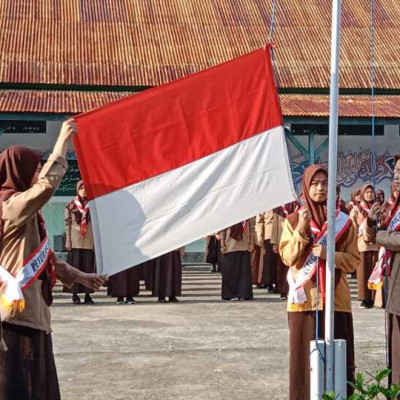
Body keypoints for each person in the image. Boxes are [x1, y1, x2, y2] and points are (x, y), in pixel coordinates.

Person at [0, 121, 107, 400]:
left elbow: (45, 257)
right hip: (15, 318)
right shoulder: (10, 207)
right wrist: (62, 142)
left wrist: (78, 276)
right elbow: (48, 186)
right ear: (19, 171)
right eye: (35, 168)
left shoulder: (26, 212)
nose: (39, 173)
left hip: (35, 314)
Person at [279, 164, 359, 400]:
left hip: (336, 301)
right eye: (314, 183)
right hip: (303, 301)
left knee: (340, 360)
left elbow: (353, 260)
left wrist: (329, 255)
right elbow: (288, 257)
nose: (320, 188)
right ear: (305, 187)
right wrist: (302, 229)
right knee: (304, 362)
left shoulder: (344, 222)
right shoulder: (293, 220)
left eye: (325, 183)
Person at [365, 158, 400, 390]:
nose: (397, 175)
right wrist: (371, 220)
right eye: (396, 170)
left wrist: (380, 236)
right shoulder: (394, 207)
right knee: (395, 346)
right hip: (393, 284)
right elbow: (371, 235)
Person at [64, 180, 96, 304]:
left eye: (85, 188)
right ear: (77, 190)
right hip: (75, 241)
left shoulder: (93, 205)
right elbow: (67, 224)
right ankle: (75, 294)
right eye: (81, 188)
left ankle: (88, 295)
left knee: (88, 268)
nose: (83, 191)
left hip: (89, 241)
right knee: (75, 268)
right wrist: (68, 240)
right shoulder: (71, 205)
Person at [271, 202, 300, 300]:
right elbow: (275, 226)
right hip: (282, 240)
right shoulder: (280, 209)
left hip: (296, 241)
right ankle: (283, 291)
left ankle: (295, 290)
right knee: (282, 268)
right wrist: (274, 242)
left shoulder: (299, 206)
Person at [219, 220, 254, 301]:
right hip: (230, 245)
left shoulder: (248, 211)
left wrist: (252, 242)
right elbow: (222, 229)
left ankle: (243, 294)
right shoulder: (228, 212)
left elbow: (252, 227)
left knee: (244, 273)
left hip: (244, 244)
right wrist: (222, 244)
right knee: (229, 272)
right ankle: (229, 294)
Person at [357, 184, 379, 309]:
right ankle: (365, 298)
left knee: (374, 272)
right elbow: (353, 225)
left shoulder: (377, 208)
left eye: (371, 192)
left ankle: (375, 297)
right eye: (367, 192)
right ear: (362, 194)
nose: (370, 194)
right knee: (363, 272)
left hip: (375, 244)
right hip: (362, 245)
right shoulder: (358, 209)